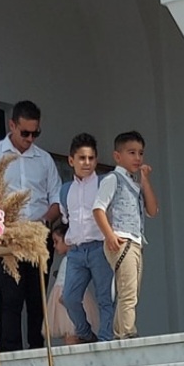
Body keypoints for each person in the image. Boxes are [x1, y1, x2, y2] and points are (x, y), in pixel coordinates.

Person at [0, 100, 62, 351]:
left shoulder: (44, 159)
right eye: (25, 133)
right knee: (10, 298)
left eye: (36, 133)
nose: (30, 139)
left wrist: (44, 221)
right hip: (7, 237)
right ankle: (11, 353)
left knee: (37, 297)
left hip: (37, 236)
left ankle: (37, 350)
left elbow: (57, 198)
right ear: (11, 125)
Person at [92, 131, 159, 340]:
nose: (137, 158)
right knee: (128, 291)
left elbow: (152, 210)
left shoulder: (134, 183)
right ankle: (128, 332)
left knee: (130, 291)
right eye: (131, 153)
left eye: (140, 153)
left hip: (135, 241)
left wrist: (145, 180)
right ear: (117, 156)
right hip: (122, 239)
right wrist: (110, 235)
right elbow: (98, 209)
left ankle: (120, 332)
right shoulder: (113, 179)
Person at [59, 134, 115, 344]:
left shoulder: (103, 183)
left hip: (100, 247)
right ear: (71, 160)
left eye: (91, 158)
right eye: (82, 158)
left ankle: (106, 338)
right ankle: (85, 333)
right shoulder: (66, 190)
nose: (87, 163)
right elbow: (67, 218)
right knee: (70, 297)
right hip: (76, 251)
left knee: (105, 298)